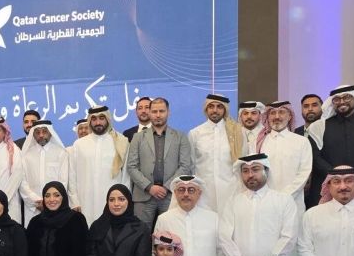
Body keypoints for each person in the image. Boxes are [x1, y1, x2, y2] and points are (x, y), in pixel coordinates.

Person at [257, 100, 313, 256]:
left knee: (293, 244)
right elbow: (256, 171)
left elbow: (304, 172)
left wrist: (284, 195)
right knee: (269, 243)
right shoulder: (261, 141)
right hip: (266, 203)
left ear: (290, 116)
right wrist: (269, 196)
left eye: (282, 112)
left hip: (293, 202)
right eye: (273, 113)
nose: (277, 117)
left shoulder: (301, 141)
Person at [305, 84, 354, 207]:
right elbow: (315, 157)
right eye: (337, 99)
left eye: (347, 97)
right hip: (329, 184)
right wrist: (334, 176)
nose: (341, 102)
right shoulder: (319, 127)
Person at [126, 96, 193, 230]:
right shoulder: (137, 137)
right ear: (150, 113)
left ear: (168, 112)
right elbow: (131, 166)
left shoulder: (180, 137)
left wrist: (167, 187)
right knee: (140, 235)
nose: (158, 115)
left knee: (171, 234)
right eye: (154, 111)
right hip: (143, 195)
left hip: (170, 195)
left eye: (161, 111)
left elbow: (185, 166)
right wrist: (150, 187)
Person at [68, 105, 131, 225]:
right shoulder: (79, 144)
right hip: (85, 201)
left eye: (101, 118)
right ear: (89, 121)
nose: (98, 122)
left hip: (112, 202)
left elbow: (126, 176)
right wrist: (74, 201)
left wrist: (123, 200)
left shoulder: (121, 142)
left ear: (108, 119)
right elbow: (72, 175)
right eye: (94, 119)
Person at [188, 94, 242, 212]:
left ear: (225, 109)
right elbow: (191, 165)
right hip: (204, 191)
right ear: (206, 109)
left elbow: (242, 163)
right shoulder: (195, 133)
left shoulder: (236, 132)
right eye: (211, 106)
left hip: (231, 190)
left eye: (219, 107)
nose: (215, 110)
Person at [20, 120, 69, 225]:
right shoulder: (26, 155)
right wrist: (36, 201)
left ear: (50, 133)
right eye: (37, 132)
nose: (41, 135)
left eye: (44, 131)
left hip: (55, 205)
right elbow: (22, 182)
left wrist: (51, 199)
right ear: (33, 134)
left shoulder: (61, 153)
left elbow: (63, 181)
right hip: (33, 208)